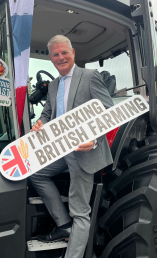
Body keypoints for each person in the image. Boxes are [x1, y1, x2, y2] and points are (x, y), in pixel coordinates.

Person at [30, 35, 114, 258]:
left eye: (64, 52)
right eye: (56, 54)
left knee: (80, 212)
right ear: (51, 58)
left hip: (84, 152)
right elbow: (48, 114)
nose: (61, 57)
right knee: (36, 173)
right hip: (60, 150)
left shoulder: (90, 76)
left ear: (73, 53)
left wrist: (94, 138)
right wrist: (40, 124)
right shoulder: (54, 85)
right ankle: (63, 223)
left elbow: (108, 111)